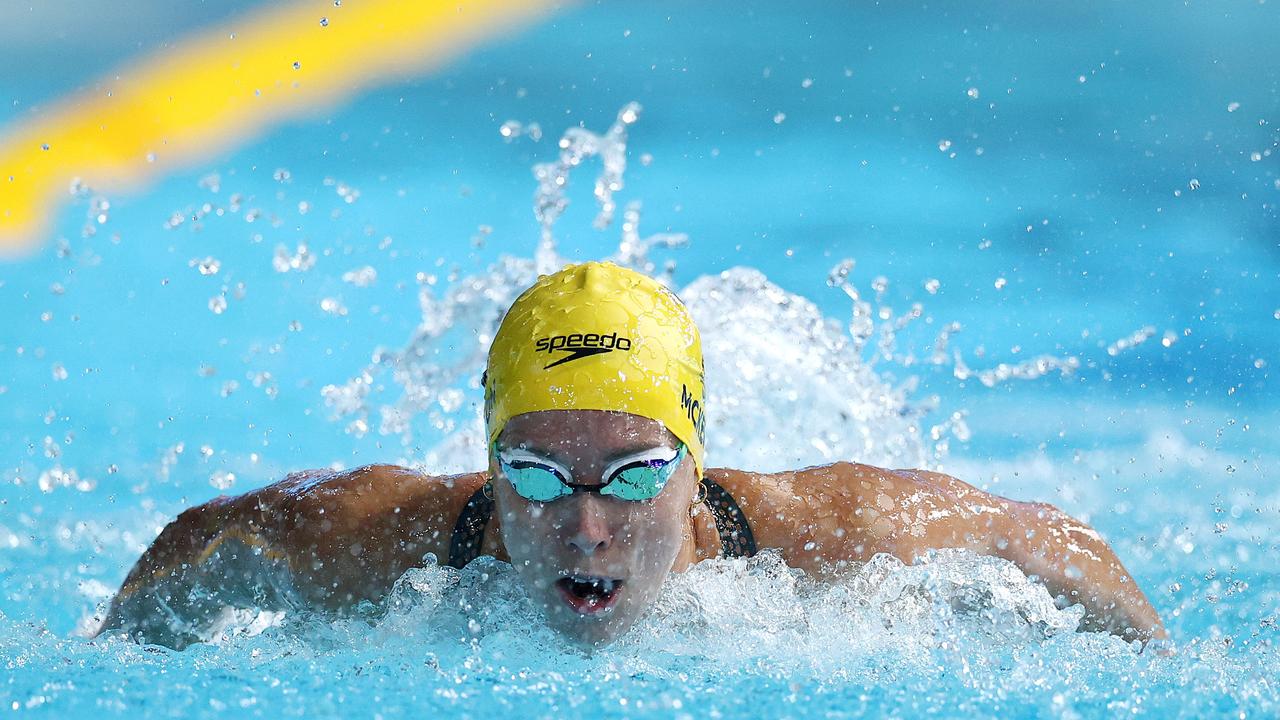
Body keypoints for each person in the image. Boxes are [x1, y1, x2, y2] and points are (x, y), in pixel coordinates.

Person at [97, 261, 1167, 649]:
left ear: (697, 463)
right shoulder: (375, 540)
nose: (584, 523)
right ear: (488, 462)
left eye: (635, 473)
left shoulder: (832, 534)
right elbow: (206, 537)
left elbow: (1044, 540)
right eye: (532, 474)